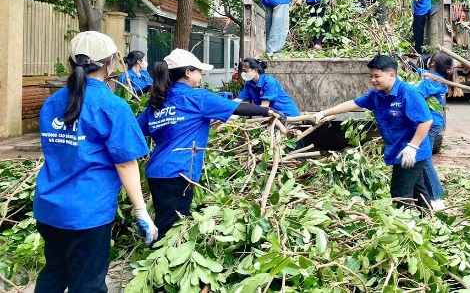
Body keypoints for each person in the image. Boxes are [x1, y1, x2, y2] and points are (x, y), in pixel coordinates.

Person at [34, 31, 158, 292]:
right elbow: (126, 163)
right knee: (88, 283)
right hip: (87, 212)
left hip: (49, 207)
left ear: (71, 61)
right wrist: (141, 211)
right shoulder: (111, 106)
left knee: (54, 273)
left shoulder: (51, 103)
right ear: (110, 64)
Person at [138, 49, 272, 241]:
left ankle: (157, 251)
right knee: (172, 230)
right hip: (179, 171)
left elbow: (136, 128)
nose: (201, 75)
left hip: (157, 171)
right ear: (188, 73)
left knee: (166, 220)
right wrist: (267, 112)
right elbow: (238, 108)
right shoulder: (198, 98)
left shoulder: (159, 101)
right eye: (199, 71)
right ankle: (161, 262)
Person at [313, 55, 433, 209]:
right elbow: (353, 104)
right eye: (371, 76)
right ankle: (427, 220)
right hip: (398, 149)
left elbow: (426, 121)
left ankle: (405, 226)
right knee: (417, 188)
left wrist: (413, 147)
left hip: (412, 151)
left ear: (391, 75)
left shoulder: (408, 93)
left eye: (377, 76)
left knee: (400, 192)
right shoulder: (377, 94)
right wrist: (324, 113)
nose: (373, 80)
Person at [413, 52, 458, 211]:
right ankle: (429, 194)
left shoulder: (430, 83)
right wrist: (413, 68)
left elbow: (415, 93)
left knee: (424, 159)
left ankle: (436, 197)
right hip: (434, 123)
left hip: (428, 124)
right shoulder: (436, 77)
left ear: (432, 63)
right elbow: (424, 74)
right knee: (423, 158)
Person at [236, 58, 301, 118]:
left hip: (286, 114)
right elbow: (238, 100)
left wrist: (240, 113)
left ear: (255, 70)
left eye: (245, 71)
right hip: (272, 116)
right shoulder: (249, 83)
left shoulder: (269, 82)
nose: (243, 74)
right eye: (241, 72)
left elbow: (264, 107)